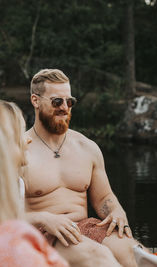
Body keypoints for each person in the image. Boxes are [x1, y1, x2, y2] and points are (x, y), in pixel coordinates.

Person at [23, 69, 142, 267]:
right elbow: (5, 215)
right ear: (35, 101)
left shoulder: (87, 147)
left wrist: (116, 211)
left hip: (85, 227)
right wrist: (44, 218)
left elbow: (104, 197)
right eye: (56, 101)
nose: (64, 107)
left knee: (137, 256)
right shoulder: (17, 150)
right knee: (100, 258)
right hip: (41, 233)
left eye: (69, 102)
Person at [0, 100, 69, 267]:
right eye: (21, 133)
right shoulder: (13, 240)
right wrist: (41, 217)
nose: (28, 140)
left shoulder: (17, 183)